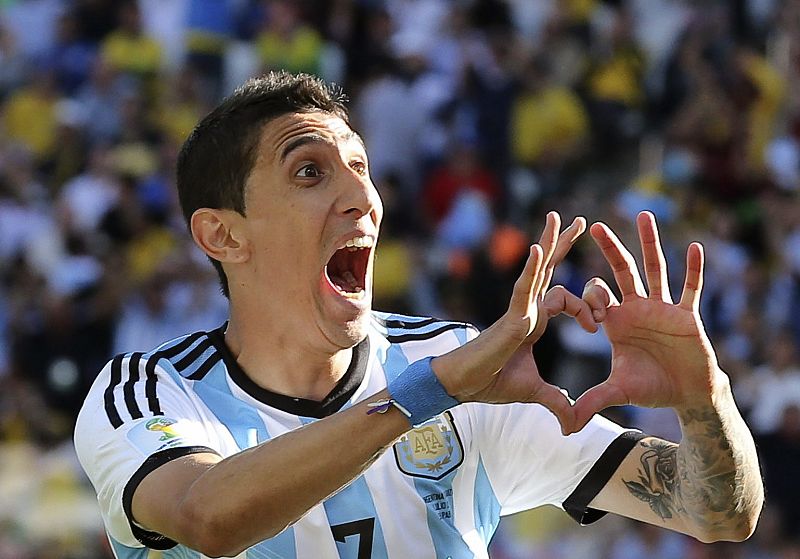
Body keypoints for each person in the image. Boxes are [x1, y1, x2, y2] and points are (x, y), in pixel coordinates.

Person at [74, 71, 763, 559]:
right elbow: (209, 518)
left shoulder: (461, 367)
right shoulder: (150, 392)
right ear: (223, 235)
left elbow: (718, 511)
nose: (364, 197)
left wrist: (706, 399)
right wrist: (430, 391)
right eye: (310, 172)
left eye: (361, 167)